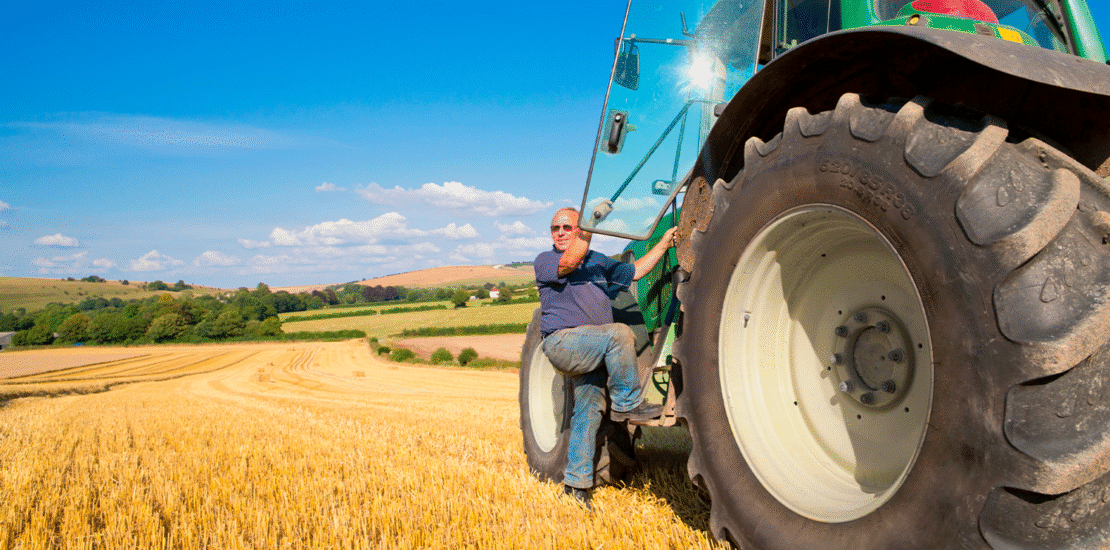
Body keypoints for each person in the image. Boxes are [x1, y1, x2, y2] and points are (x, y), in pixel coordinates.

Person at [534, 206, 677, 510]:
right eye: (555, 228)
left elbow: (635, 271)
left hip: (593, 349)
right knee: (620, 333)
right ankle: (629, 404)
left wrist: (664, 244)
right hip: (564, 342)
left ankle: (576, 487)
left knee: (587, 412)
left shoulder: (598, 262)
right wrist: (591, 223)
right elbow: (571, 260)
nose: (560, 232)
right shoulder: (547, 260)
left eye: (567, 227)